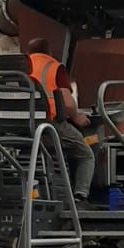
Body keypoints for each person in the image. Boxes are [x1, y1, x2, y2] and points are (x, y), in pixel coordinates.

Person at [25, 38, 95, 204]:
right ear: (49, 52)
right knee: (86, 154)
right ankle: (80, 196)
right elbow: (67, 103)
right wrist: (78, 117)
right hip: (49, 126)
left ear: (28, 52)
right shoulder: (53, 66)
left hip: (19, 128)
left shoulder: (20, 66)